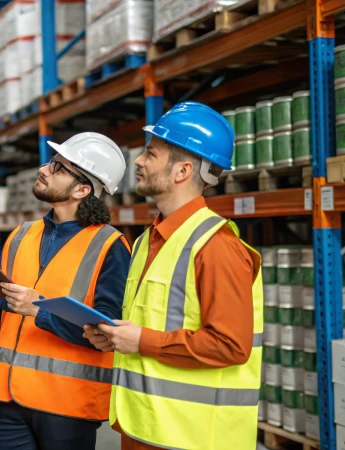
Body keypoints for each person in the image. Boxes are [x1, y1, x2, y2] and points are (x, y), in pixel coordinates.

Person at [83, 102, 263, 450]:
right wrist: (115, 336)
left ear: (181, 172)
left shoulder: (216, 246)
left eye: (150, 153)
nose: (138, 160)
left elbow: (231, 345)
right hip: (144, 429)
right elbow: (152, 322)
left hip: (193, 438)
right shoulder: (145, 241)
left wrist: (141, 341)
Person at [0, 132, 130, 450]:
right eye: (50, 163)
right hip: (12, 397)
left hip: (68, 404)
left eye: (58, 167)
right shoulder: (22, 235)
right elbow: (7, 305)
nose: (43, 169)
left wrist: (40, 309)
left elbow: (107, 331)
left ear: (82, 189)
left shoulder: (109, 245)